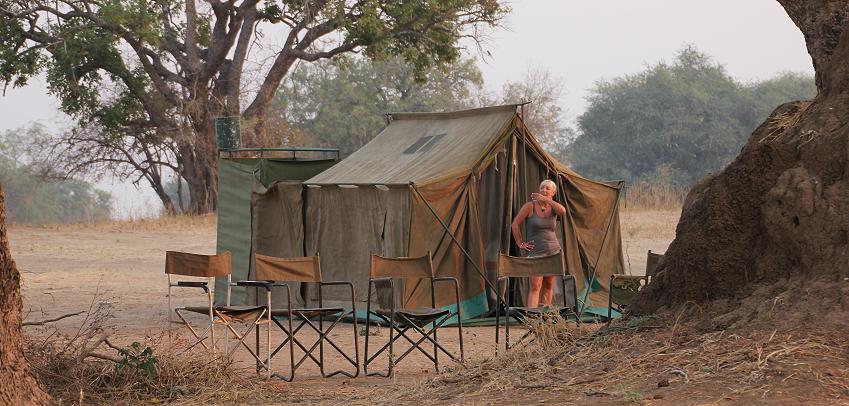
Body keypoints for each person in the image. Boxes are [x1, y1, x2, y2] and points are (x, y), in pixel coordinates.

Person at [510, 179, 567, 308]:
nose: (544, 190)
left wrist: (547, 200)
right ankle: (532, 318)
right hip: (536, 252)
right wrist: (521, 244)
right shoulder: (529, 206)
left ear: (553, 192)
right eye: (542, 188)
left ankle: (544, 317)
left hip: (553, 251)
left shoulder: (553, 206)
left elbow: (563, 212)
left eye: (547, 188)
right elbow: (514, 225)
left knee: (548, 285)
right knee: (535, 286)